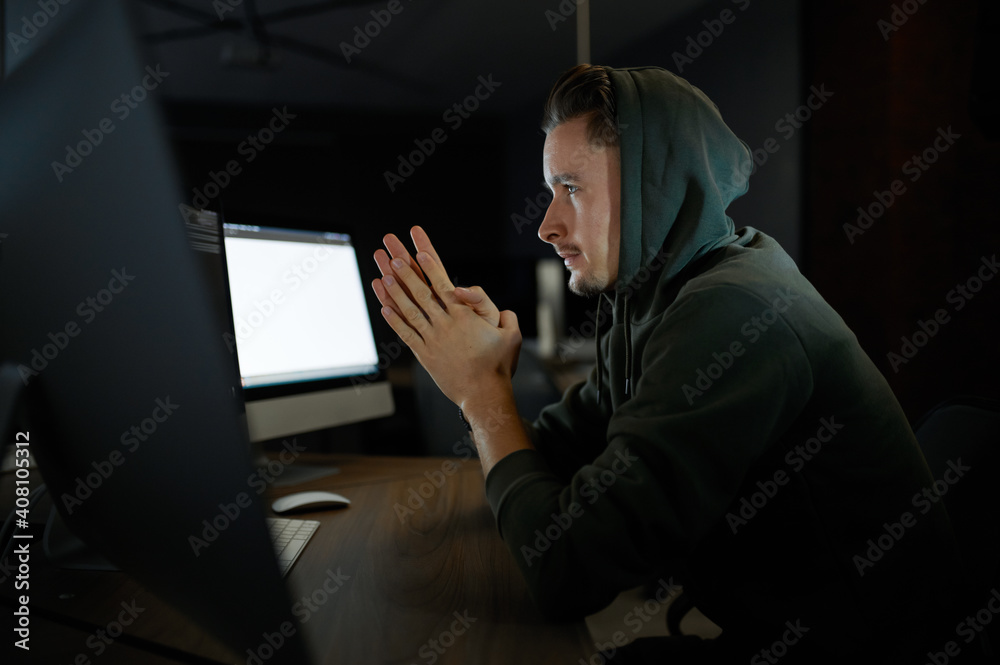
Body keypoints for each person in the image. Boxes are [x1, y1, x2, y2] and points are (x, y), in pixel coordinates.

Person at [370, 65, 963, 663]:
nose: (548, 226)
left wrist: (482, 396)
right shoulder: (648, 298)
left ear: (654, 184)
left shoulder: (734, 308)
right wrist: (485, 372)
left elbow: (567, 571)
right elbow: (564, 448)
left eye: (571, 188)